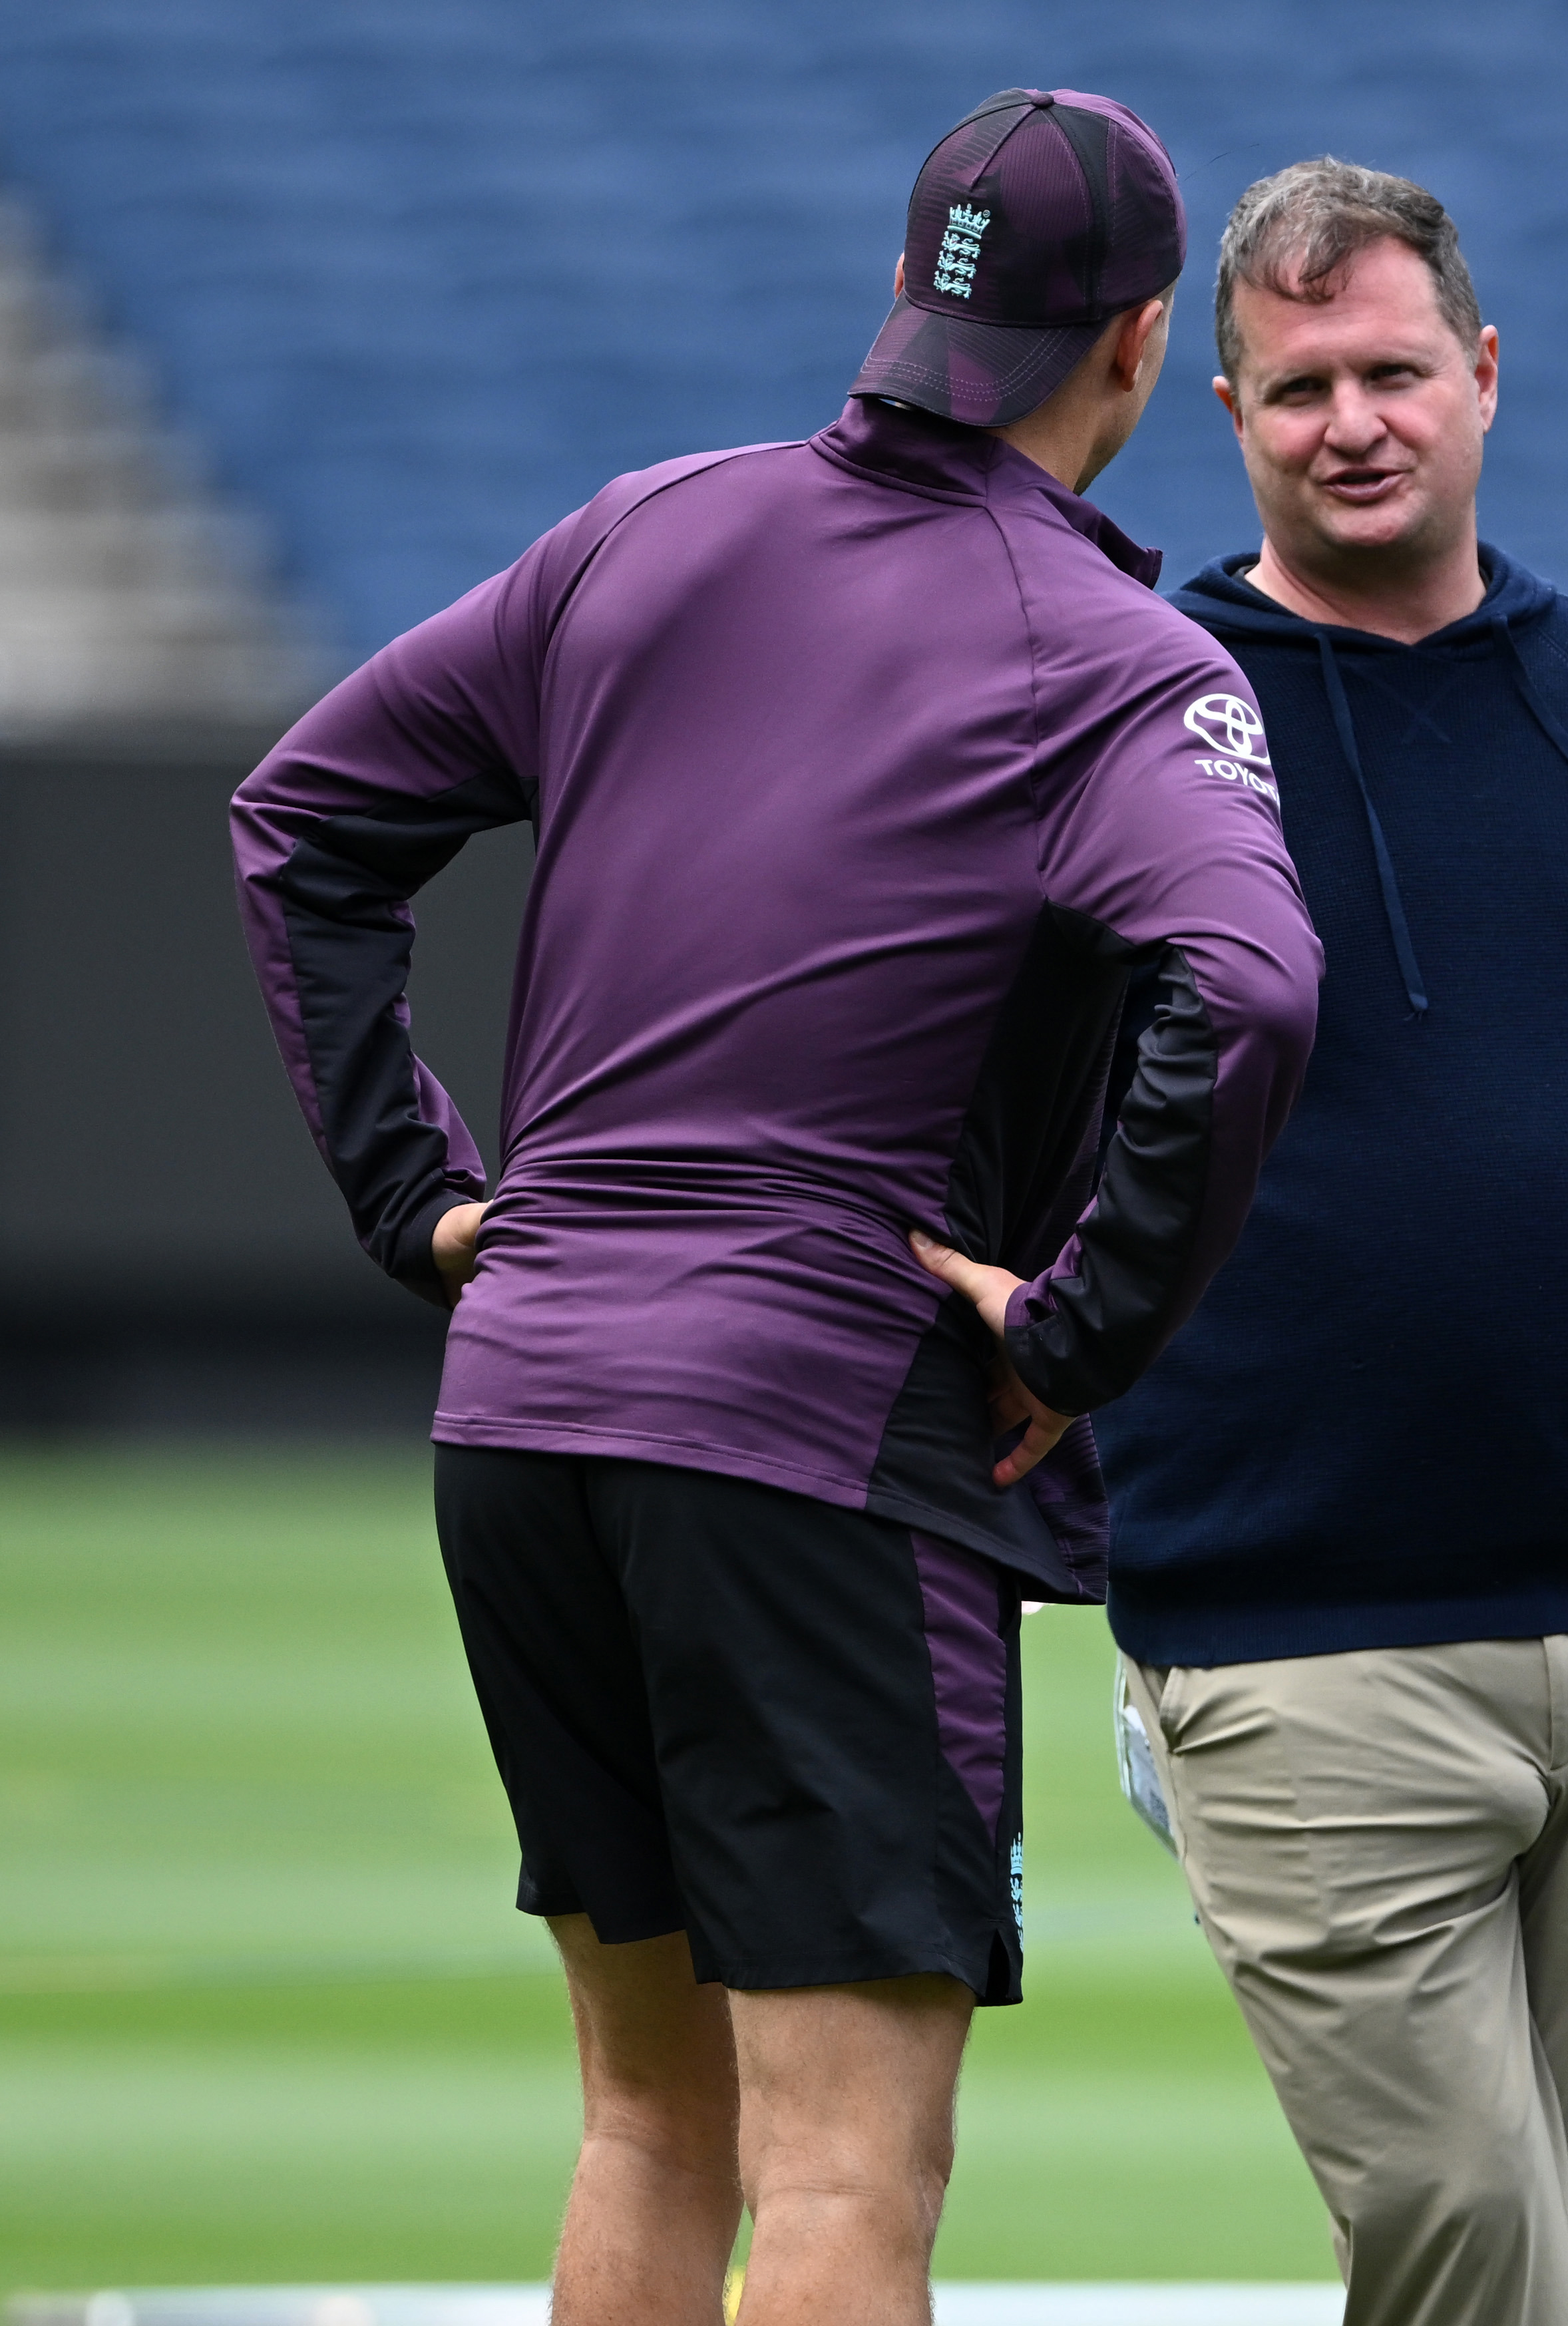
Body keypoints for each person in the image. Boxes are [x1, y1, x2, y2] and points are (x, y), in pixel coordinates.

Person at [229, 90, 1320, 2326]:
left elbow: (303, 820)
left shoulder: (641, 533)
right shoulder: (1113, 659)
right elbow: (1252, 981)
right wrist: (1082, 1328)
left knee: (649, 2124)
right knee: (842, 2181)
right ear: (1136, 343)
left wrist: (420, 1199)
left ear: (907, 296)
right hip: (819, 1435)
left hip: (525, 1403)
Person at [1085, 158, 1568, 2326]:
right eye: (1297, 390)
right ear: (1226, 413)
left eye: (1393, 372)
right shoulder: (1128, 703)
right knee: (1478, 2256)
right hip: (1293, 1620)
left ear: (1483, 377)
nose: (1351, 423)